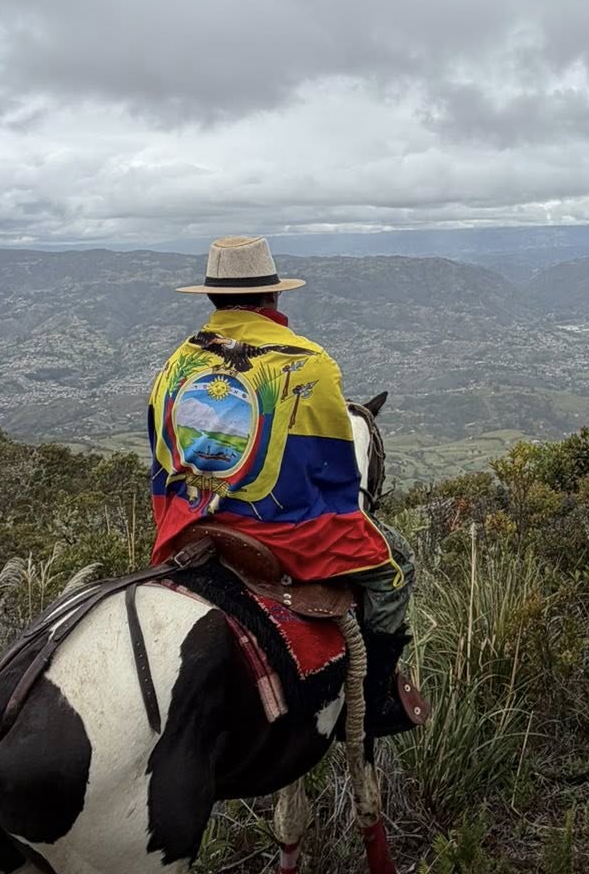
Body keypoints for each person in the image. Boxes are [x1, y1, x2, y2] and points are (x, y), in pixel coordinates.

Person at [148, 235, 413, 649]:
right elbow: (334, 469)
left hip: (189, 522)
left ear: (212, 297)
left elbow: (161, 456)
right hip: (275, 532)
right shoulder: (309, 363)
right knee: (395, 567)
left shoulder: (176, 362)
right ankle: (378, 681)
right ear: (273, 294)